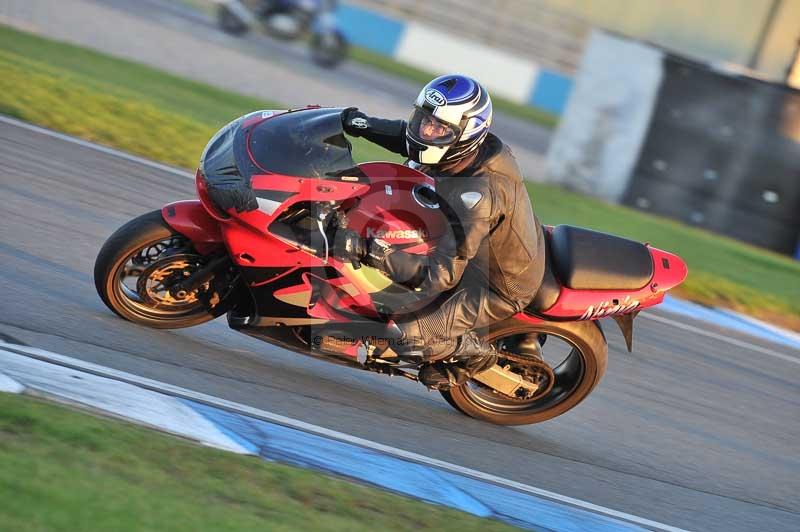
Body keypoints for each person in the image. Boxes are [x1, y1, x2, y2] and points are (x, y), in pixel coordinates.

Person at [334, 74, 546, 390]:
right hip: (472, 244)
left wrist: (371, 250)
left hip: (491, 284)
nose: (427, 131)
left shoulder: (476, 195)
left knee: (407, 336)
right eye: (425, 120)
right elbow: (407, 137)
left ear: (464, 135)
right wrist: (356, 123)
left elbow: (442, 275)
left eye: (439, 128)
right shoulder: (460, 148)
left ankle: (476, 357)